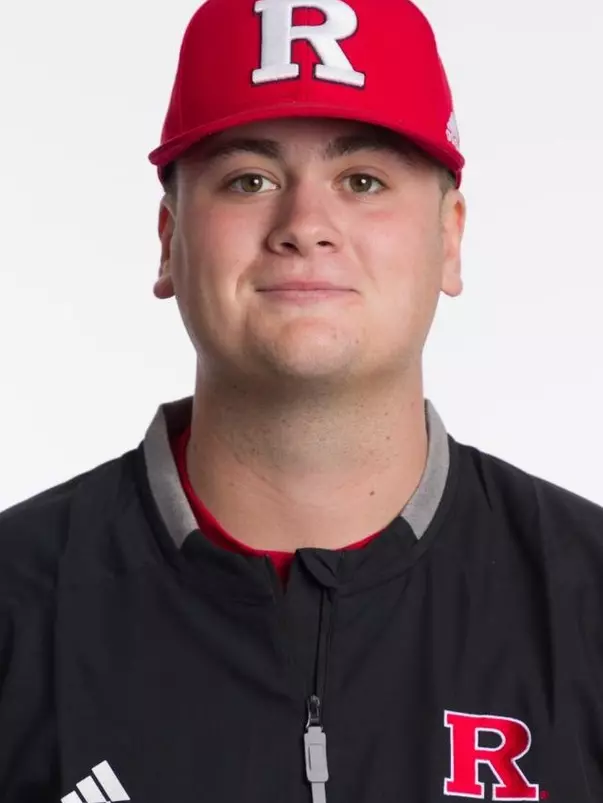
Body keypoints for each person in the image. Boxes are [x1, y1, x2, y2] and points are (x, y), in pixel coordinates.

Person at [1, 0, 603, 801]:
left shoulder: (586, 599)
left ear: (449, 239)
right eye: (249, 179)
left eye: (363, 180)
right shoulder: (16, 603)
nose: (305, 224)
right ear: (168, 240)